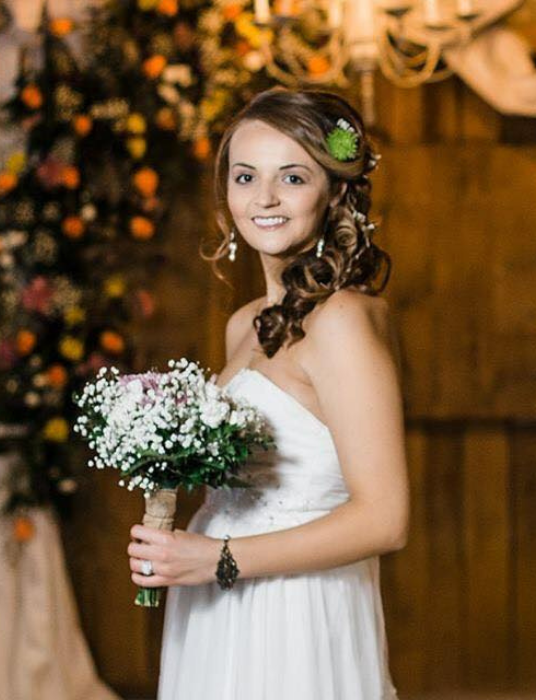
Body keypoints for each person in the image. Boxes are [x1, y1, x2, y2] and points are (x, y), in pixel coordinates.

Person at [125, 88, 405, 699]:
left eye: (294, 177)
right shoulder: (244, 323)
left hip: (296, 612)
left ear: (334, 193)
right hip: (217, 607)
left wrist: (218, 558)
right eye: (246, 176)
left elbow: (386, 518)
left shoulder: (342, 322)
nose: (265, 199)